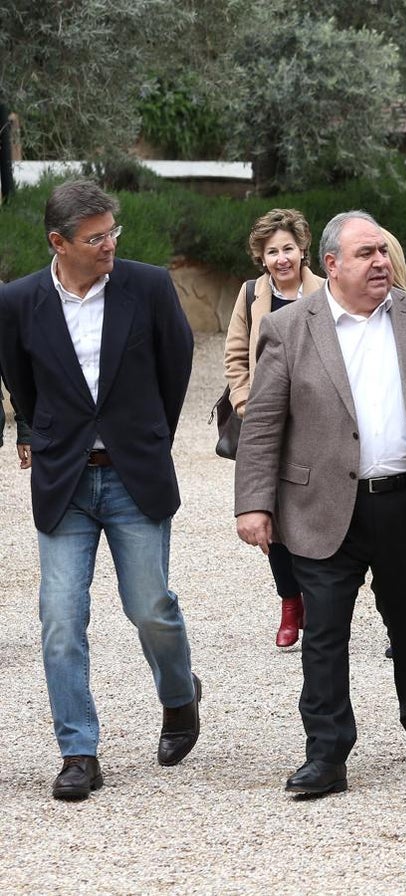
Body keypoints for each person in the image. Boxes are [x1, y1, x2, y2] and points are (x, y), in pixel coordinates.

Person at [234, 210, 406, 796]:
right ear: (332, 265)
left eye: (383, 251)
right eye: (366, 253)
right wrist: (253, 503)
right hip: (321, 506)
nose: (380, 262)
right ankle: (326, 753)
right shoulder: (290, 327)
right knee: (323, 634)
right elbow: (263, 424)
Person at [0, 180, 201, 801]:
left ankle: (179, 696)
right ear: (59, 243)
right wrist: (50, 436)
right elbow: (21, 384)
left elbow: (178, 363)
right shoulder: (16, 301)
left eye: (113, 232)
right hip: (64, 481)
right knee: (60, 620)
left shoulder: (148, 286)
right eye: (96, 238)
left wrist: (146, 436)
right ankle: (78, 750)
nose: (110, 244)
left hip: (133, 474)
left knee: (150, 607)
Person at [224, 209, 325, 648]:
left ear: (303, 249)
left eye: (288, 248)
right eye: (272, 251)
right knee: (272, 517)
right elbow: (234, 355)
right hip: (266, 427)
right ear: (261, 257)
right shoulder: (251, 295)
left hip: (319, 424)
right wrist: (246, 404)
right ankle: (290, 603)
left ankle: (323, 601)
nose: (282, 258)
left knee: (321, 512)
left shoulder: (327, 290)